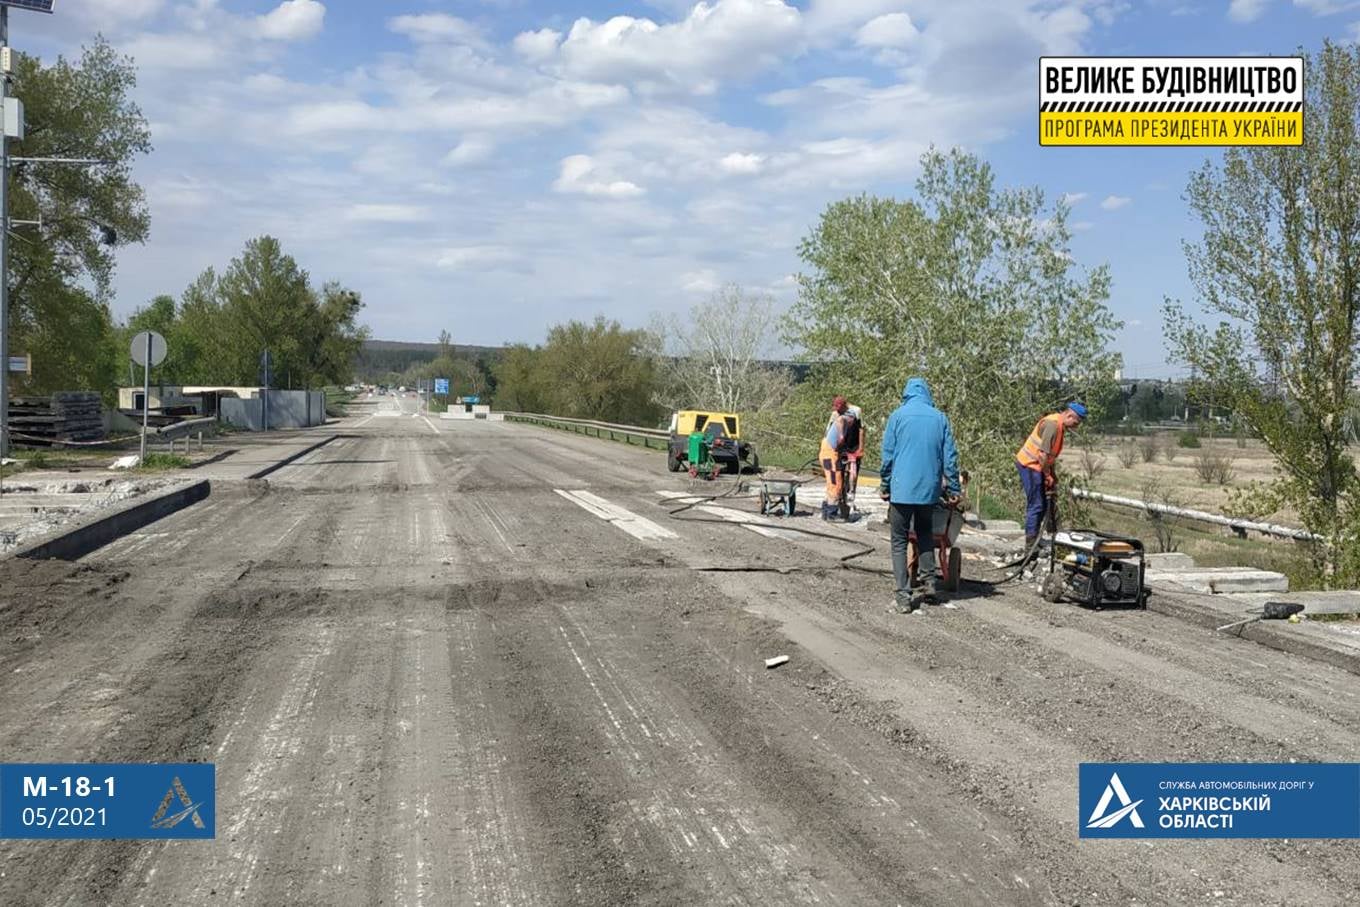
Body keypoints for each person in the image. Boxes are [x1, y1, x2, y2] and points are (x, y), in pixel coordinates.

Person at [879, 377, 961, 613]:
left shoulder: (897, 416)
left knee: (899, 541)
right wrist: (954, 488)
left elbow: (888, 455)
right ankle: (929, 583)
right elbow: (950, 458)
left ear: (906, 394)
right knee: (925, 533)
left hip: (901, 490)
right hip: (929, 491)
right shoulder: (939, 418)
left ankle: (903, 596)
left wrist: (885, 484)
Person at [1014, 401, 1087, 553]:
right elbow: (1042, 455)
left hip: (1038, 466)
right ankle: (1030, 545)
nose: (1076, 425)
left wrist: (1052, 475)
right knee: (1037, 504)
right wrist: (1047, 475)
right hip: (1030, 465)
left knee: (1043, 504)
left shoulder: (1059, 426)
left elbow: (1050, 455)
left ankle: (1037, 538)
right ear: (1068, 414)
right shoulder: (1052, 425)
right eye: (1076, 421)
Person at [819, 396, 850, 519]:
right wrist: (842, 436)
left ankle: (826, 511)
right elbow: (841, 421)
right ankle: (831, 513)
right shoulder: (842, 418)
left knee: (830, 482)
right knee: (835, 482)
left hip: (826, 451)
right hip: (829, 454)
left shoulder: (835, 417)